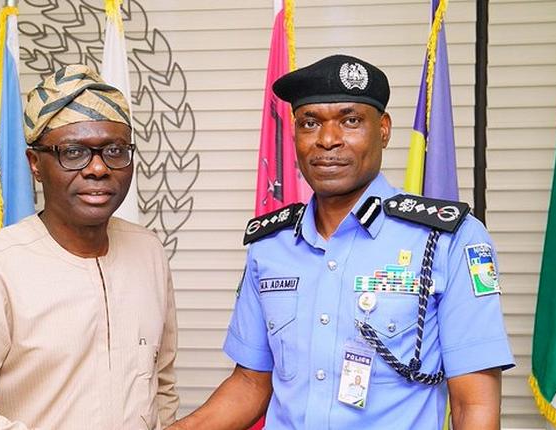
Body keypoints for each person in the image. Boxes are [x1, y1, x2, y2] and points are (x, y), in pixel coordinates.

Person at [168, 54, 514, 429]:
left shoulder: (447, 240)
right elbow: (250, 385)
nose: (328, 140)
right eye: (310, 123)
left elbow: (473, 406)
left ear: (383, 129)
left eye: (350, 121)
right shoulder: (271, 246)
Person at [0, 64, 179, 429]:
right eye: (73, 152)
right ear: (35, 164)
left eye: (115, 150)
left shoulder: (148, 252)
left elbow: (161, 387)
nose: (98, 169)